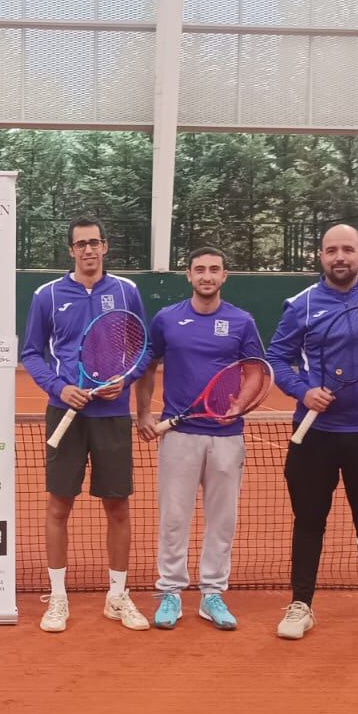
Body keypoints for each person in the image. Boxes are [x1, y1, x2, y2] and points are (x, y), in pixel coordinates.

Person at [268, 224, 358, 647]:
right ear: (321, 257)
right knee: (309, 521)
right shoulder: (301, 305)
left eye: (348, 249)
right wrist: (302, 390)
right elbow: (277, 356)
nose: (340, 257)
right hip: (315, 436)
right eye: (332, 250)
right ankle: (301, 605)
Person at [20, 218, 150, 633]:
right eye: (81, 244)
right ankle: (58, 597)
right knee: (59, 505)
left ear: (105, 247)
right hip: (66, 412)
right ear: (71, 251)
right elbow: (32, 353)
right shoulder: (48, 295)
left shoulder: (127, 292)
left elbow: (142, 349)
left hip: (112, 413)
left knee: (117, 505)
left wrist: (124, 379)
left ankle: (117, 597)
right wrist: (59, 388)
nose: (88, 250)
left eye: (94, 242)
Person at [134, 247, 265, 631]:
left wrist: (239, 404)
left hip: (227, 436)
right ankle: (170, 591)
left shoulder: (242, 322)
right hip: (179, 435)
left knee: (222, 519)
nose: (207, 276)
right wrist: (143, 412)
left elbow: (256, 371)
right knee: (174, 518)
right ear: (188, 276)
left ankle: (212, 594)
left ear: (225, 276)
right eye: (200, 270)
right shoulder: (166, 320)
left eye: (214, 270)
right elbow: (148, 367)